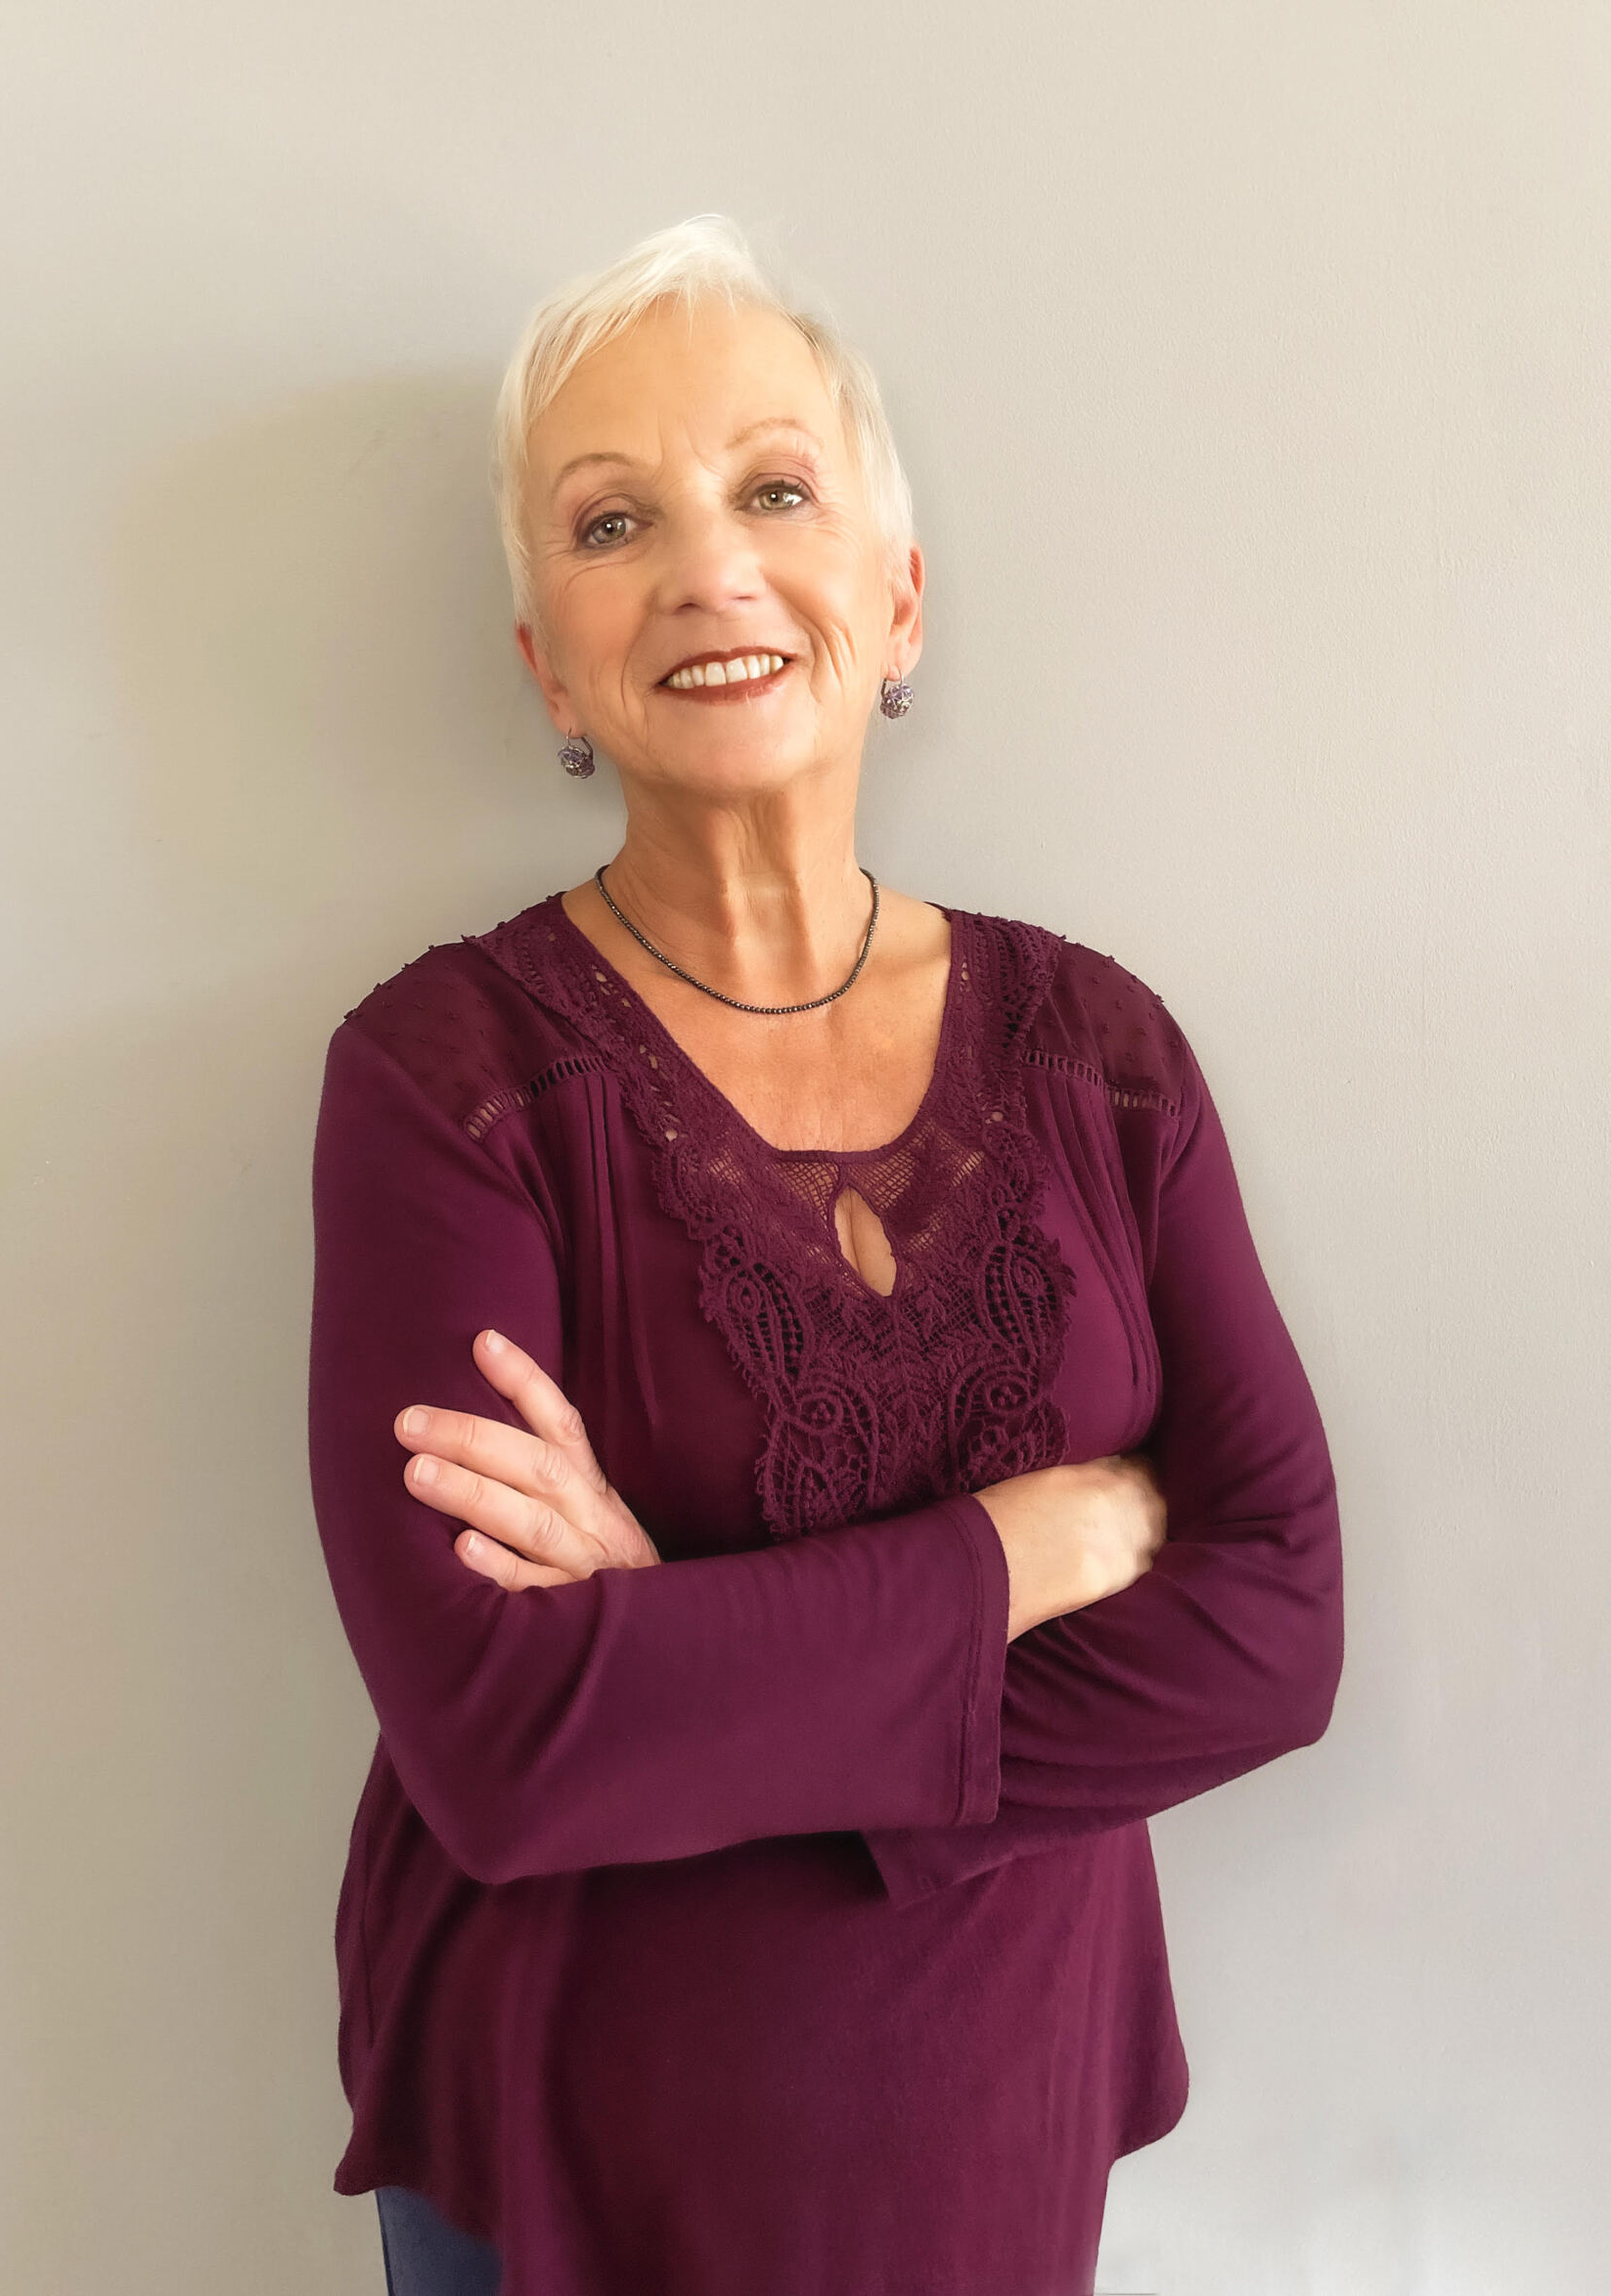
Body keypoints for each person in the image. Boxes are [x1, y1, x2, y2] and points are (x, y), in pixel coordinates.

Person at [307, 212, 1345, 2296]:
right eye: (613, 521)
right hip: (573, 2137)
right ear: (549, 666)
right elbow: (503, 1745)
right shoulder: (448, 1081)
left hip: (997, 2105)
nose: (707, 567)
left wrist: (678, 1652)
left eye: (774, 489)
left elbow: (1276, 1634)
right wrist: (1028, 1553)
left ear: (897, 599)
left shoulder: (1102, 1055)